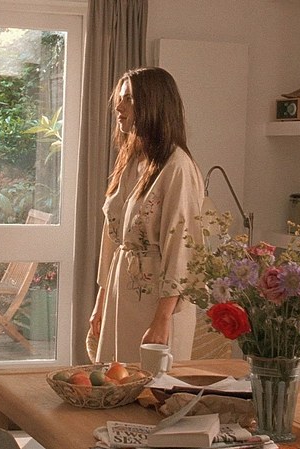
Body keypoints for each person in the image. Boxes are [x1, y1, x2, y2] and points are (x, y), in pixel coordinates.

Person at [88, 67, 203, 364]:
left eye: (129, 99)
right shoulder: (131, 160)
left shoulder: (177, 167)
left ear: (153, 103)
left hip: (158, 304)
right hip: (121, 294)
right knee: (115, 380)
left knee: (152, 385)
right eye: (120, 98)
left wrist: (162, 319)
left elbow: (182, 247)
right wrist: (101, 301)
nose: (118, 106)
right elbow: (112, 239)